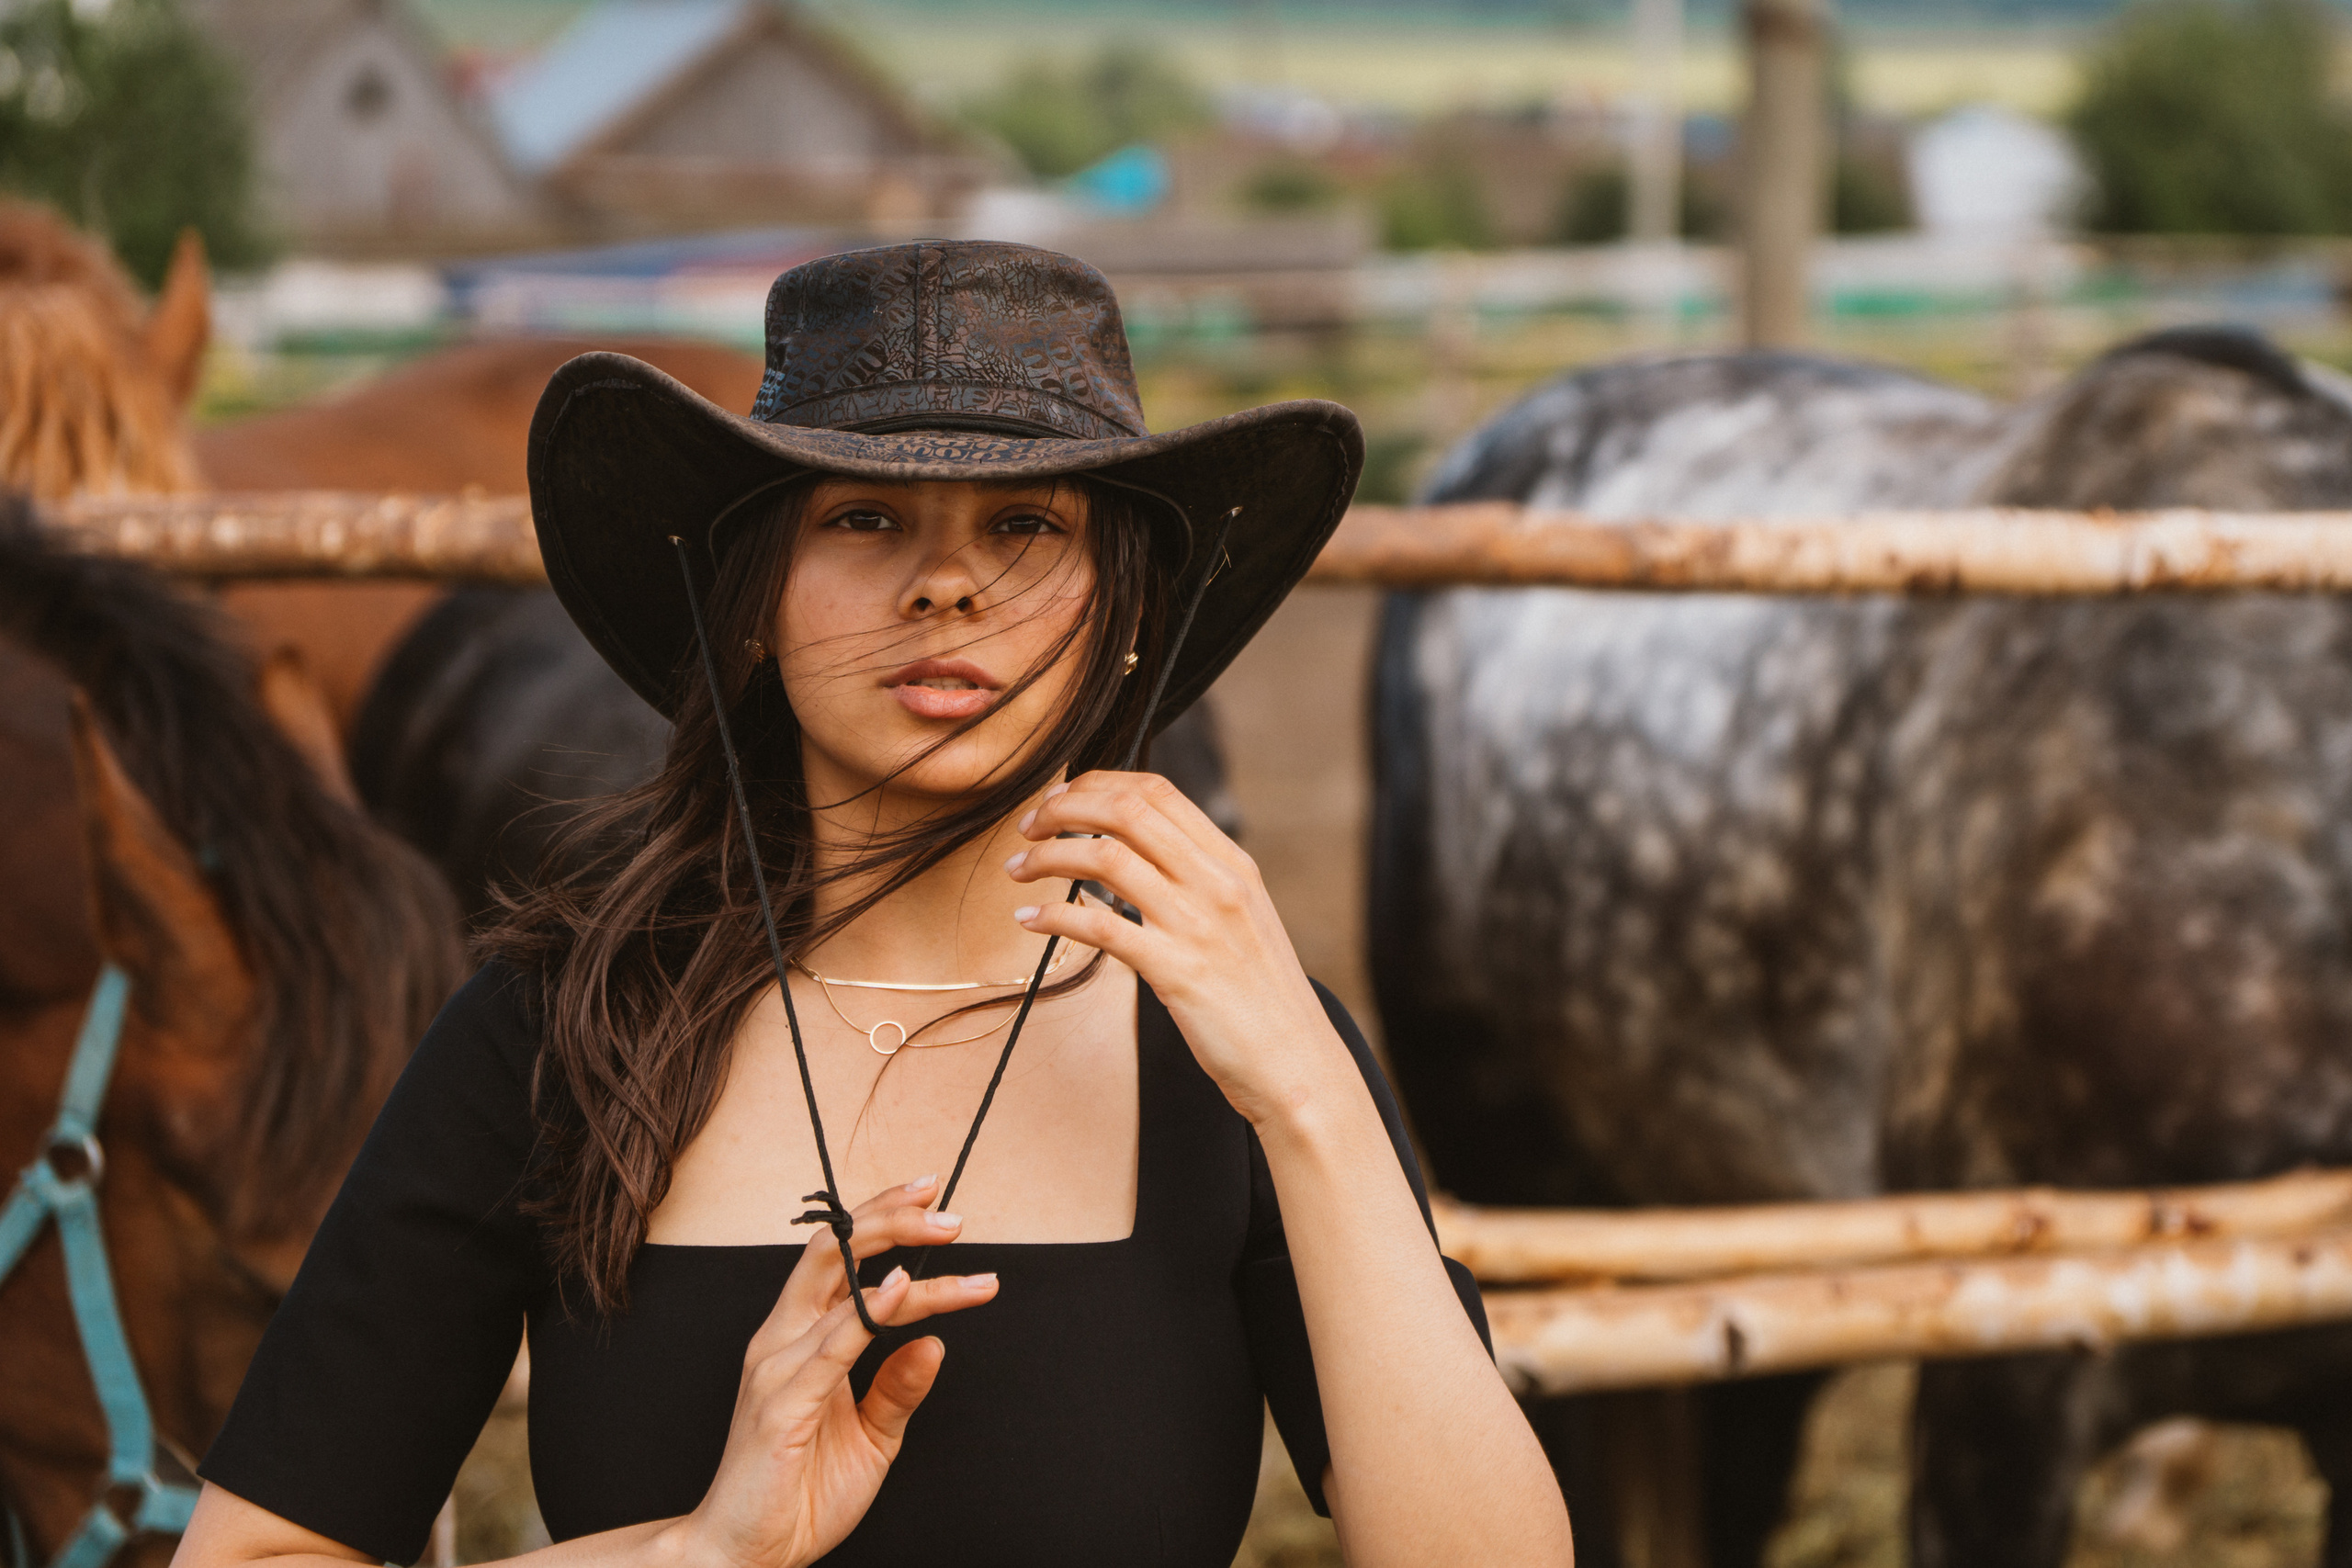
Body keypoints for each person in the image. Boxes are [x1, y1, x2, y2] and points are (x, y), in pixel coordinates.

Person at [174, 242, 1572, 1568]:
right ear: (755, 598)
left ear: (1122, 605)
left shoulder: (1242, 1052)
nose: (947, 583)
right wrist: (700, 1547)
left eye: (1025, 523)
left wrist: (1312, 1099)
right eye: (863, 517)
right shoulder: (555, 1033)